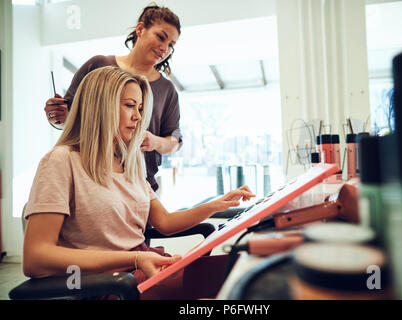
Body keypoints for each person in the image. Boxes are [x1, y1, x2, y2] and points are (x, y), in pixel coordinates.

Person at [24, 66, 255, 299]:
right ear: (100, 106)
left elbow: (164, 222)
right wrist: (134, 258)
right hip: (108, 284)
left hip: (139, 268)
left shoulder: (128, 164)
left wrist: (218, 204)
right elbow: (35, 259)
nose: (138, 116)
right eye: (130, 105)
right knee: (241, 278)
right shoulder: (62, 161)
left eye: (140, 108)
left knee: (248, 265)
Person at [44, 4, 183, 192]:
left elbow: (175, 139)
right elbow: (67, 120)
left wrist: (155, 142)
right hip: (90, 176)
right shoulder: (98, 66)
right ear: (140, 29)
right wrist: (56, 116)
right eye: (161, 37)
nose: (164, 49)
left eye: (171, 46)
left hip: (140, 184)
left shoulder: (167, 89)